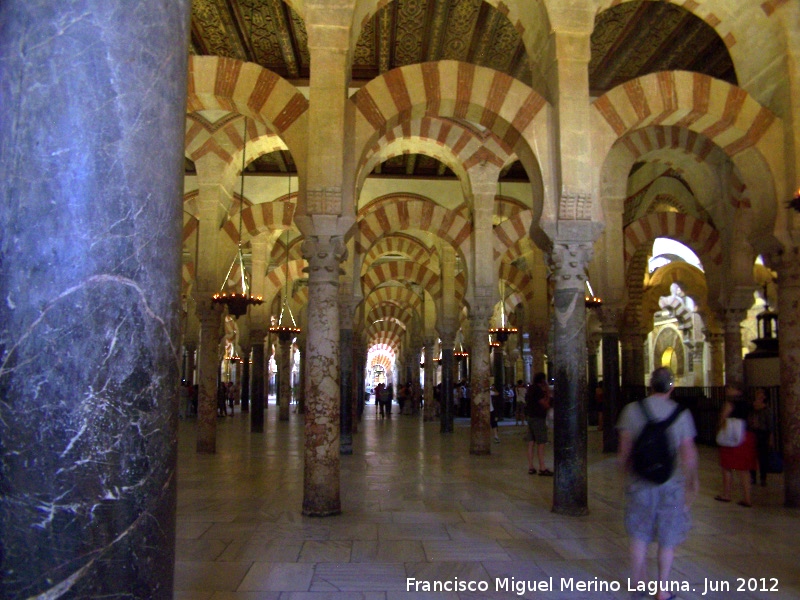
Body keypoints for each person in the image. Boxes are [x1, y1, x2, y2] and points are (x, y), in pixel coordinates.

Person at [617, 367, 699, 600]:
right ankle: (662, 589)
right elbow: (688, 454)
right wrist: (692, 482)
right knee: (667, 538)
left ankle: (638, 586)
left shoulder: (631, 411)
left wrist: (625, 478)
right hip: (671, 485)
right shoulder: (681, 414)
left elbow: (624, 453)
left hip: (640, 483)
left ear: (650, 386)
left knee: (639, 535)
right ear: (672, 387)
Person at [715, 383, 757, 506]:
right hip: (746, 435)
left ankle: (726, 494)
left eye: (731, 388)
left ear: (738, 391)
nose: (728, 390)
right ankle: (747, 498)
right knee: (744, 470)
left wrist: (719, 429)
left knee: (727, 466)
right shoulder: (748, 404)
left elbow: (723, 418)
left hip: (731, 436)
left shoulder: (729, 403)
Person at [524, 372, 552, 476]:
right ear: (542, 380)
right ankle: (542, 467)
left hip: (530, 417)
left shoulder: (530, 388)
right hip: (538, 418)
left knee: (531, 443)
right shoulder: (538, 390)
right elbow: (545, 405)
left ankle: (531, 467)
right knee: (541, 443)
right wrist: (548, 394)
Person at [749, 388, 773, 487]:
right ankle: (753, 476)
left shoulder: (767, 410)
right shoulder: (751, 408)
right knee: (752, 456)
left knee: (763, 457)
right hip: (753, 432)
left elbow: (770, 425)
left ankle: (763, 477)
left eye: (761, 393)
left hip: (762, 434)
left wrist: (771, 438)